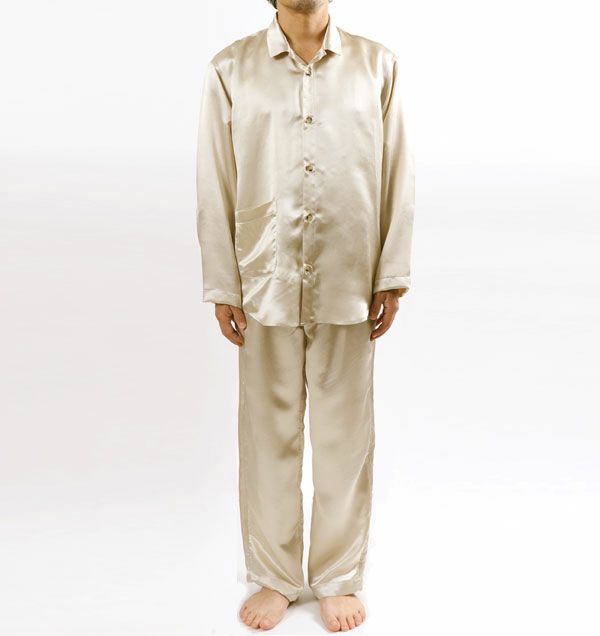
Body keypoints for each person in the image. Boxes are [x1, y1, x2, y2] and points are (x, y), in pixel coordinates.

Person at [196, 0, 414, 631]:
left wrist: (391, 272)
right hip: (263, 273)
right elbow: (215, 178)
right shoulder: (231, 69)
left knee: (346, 434)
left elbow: (398, 172)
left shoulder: (378, 66)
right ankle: (275, 575)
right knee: (268, 434)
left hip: (350, 272)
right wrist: (223, 281)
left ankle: (339, 576)